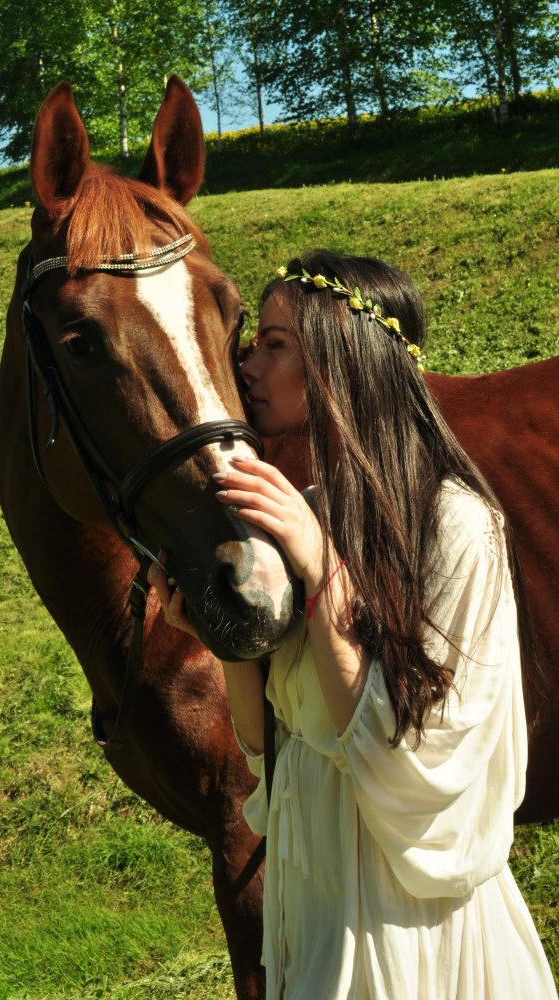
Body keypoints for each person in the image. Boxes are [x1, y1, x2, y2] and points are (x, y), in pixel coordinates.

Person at [148, 250, 557, 999]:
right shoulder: (300, 507)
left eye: (275, 345)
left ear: (342, 361)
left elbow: (426, 777)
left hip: (404, 917)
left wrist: (325, 576)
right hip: (314, 892)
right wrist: (225, 638)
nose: (247, 363)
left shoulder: (461, 528)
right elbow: (264, 741)